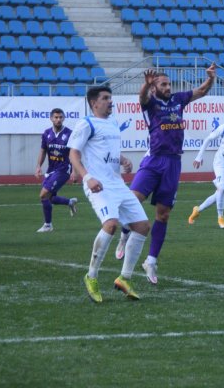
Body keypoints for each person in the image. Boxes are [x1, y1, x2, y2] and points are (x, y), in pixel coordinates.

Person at [114, 64, 216, 285]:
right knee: (132, 201)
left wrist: (211, 78)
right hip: (153, 160)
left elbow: (201, 91)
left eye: (169, 84)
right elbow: (141, 98)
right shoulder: (150, 103)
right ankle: (124, 234)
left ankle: (151, 261)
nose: (168, 87)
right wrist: (146, 85)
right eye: (163, 84)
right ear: (154, 88)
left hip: (173, 163)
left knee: (163, 215)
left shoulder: (178, 100)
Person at [69, 85, 150, 303]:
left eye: (110, 98)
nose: (110, 101)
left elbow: (108, 150)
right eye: (105, 98)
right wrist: (87, 177)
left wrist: (122, 159)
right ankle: (91, 276)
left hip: (117, 183)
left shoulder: (113, 122)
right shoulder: (86, 124)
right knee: (111, 224)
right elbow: (74, 154)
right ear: (94, 103)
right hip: (98, 184)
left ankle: (124, 278)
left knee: (142, 226)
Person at [34, 108, 78, 233]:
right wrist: (38, 166)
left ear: (63, 118)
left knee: (43, 195)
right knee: (50, 198)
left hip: (64, 169)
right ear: (51, 118)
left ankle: (48, 225)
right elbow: (43, 151)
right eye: (56, 117)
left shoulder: (69, 134)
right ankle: (70, 202)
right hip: (51, 169)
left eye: (60, 117)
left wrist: (75, 171)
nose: (58, 120)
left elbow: (74, 153)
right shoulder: (47, 133)